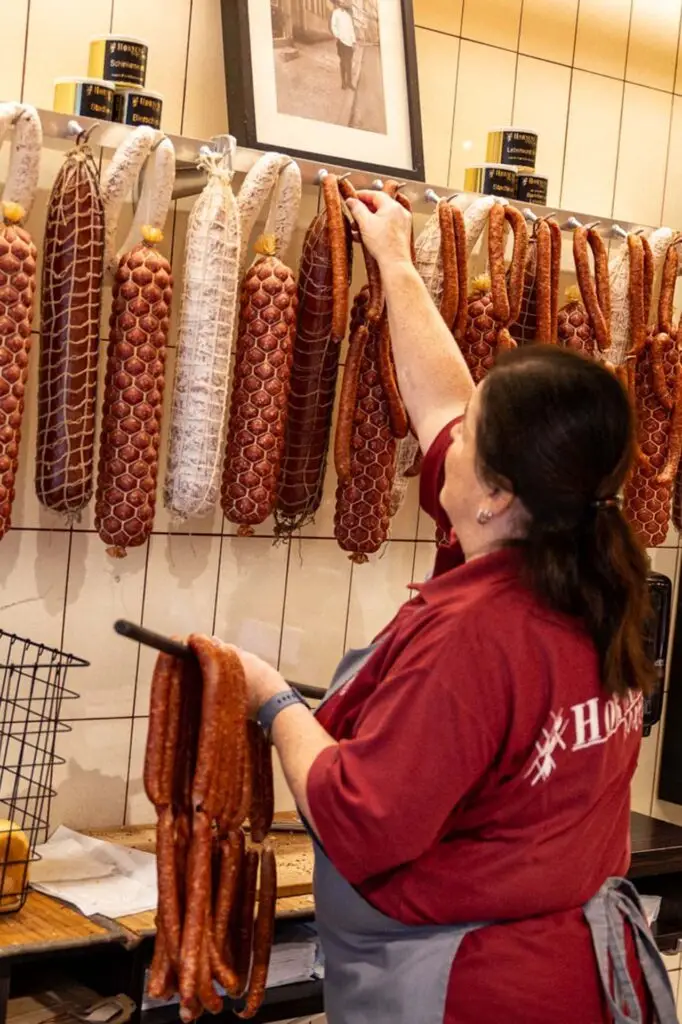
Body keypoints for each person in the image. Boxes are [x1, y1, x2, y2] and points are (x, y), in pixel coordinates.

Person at [229, 193, 678, 1023]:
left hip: (475, 988)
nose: (444, 446)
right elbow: (440, 400)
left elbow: (363, 818)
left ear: (498, 494)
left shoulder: (477, 631)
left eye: (469, 436)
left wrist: (273, 702)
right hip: (575, 973)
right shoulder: (587, 563)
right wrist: (395, 262)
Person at [330, 0, 356, 90]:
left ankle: (349, 82)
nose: (342, 4)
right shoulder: (335, 13)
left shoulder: (348, 15)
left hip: (349, 42)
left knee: (349, 62)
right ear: (338, 3)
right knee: (343, 62)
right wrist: (338, 36)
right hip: (341, 42)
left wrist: (353, 42)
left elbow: (351, 29)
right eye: (340, 2)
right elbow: (333, 26)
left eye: (344, 2)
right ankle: (343, 82)